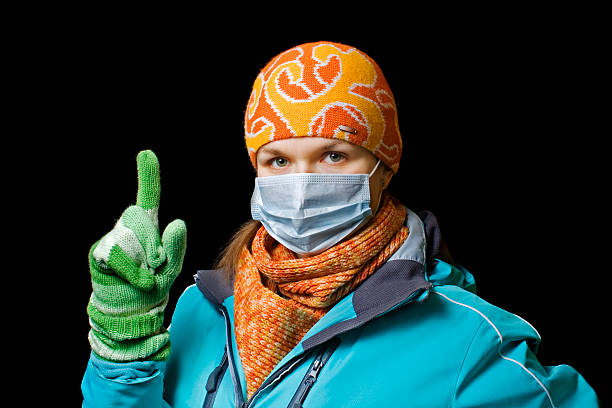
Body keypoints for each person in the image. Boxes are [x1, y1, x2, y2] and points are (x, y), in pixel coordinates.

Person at [81, 41, 599, 407]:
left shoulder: (469, 340)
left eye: (333, 155)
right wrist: (122, 354)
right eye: (278, 161)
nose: (302, 182)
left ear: (384, 164)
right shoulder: (199, 310)